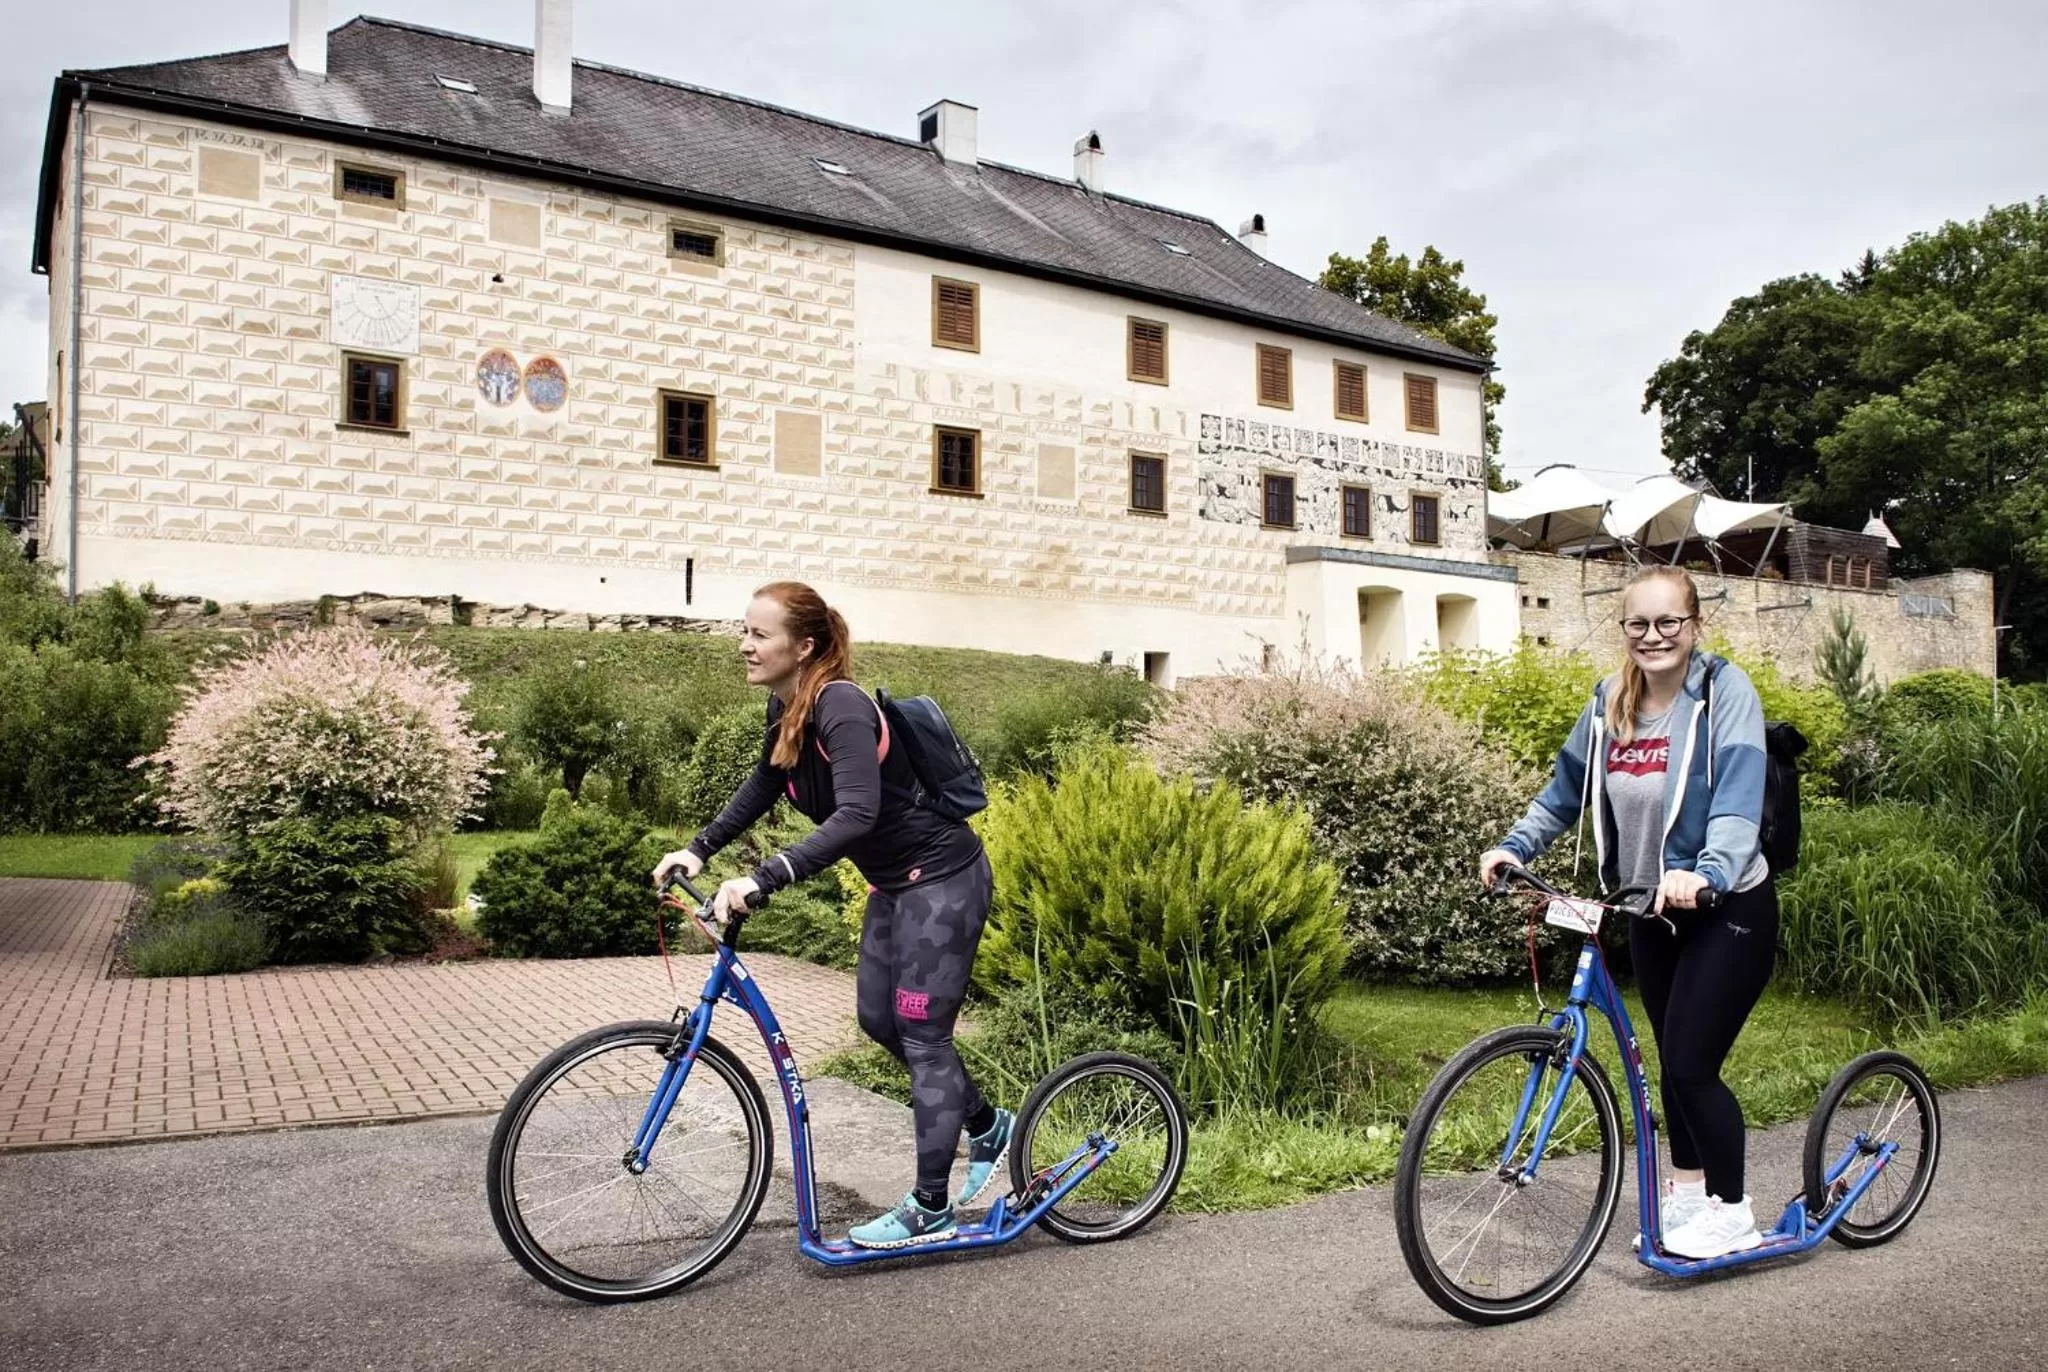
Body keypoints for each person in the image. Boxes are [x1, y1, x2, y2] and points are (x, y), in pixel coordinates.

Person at [652, 581, 1009, 1249]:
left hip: (943, 879)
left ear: (805, 646)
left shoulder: (841, 706)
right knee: (880, 1021)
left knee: (922, 1033)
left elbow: (857, 814)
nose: (745, 644)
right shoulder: (788, 708)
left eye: (760, 634)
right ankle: (988, 1126)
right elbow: (767, 780)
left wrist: (764, 878)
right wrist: (699, 849)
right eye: (745, 630)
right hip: (893, 885)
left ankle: (931, 1207)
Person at [1478, 566, 1777, 1260]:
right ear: (1624, 631)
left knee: (1693, 1064)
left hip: (1725, 908)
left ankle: (1733, 1213)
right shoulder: (1610, 701)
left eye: (1668, 621)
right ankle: (1690, 1191)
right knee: (1670, 1062)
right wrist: (1513, 846)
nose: (1653, 636)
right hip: (1648, 911)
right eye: (1638, 624)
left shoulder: (1723, 692)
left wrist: (1707, 874)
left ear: (1694, 625)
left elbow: (1736, 800)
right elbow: (1561, 794)